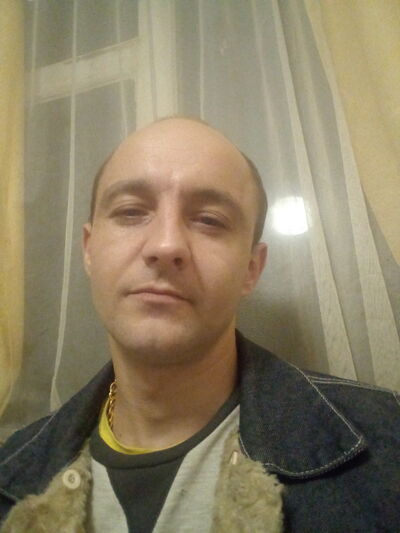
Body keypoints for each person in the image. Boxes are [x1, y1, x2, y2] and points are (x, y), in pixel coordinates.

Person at [0, 117, 399, 533]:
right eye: (131, 211)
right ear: (89, 249)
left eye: (209, 219)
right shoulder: (12, 469)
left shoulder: (389, 444)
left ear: (251, 268)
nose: (166, 245)